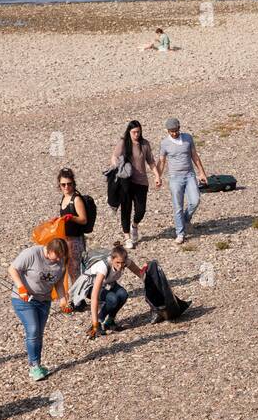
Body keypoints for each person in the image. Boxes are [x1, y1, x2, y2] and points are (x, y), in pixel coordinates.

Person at [8, 237, 68, 382]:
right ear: (49, 250)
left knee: (39, 333)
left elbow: (59, 283)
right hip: (24, 299)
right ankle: (33, 366)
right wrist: (21, 287)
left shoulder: (61, 262)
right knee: (33, 329)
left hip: (44, 301)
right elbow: (12, 268)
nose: (59, 259)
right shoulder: (32, 254)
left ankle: (37, 364)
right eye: (57, 255)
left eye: (61, 256)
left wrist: (62, 298)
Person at [156, 117, 208, 244]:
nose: (173, 133)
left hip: (190, 175)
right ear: (167, 131)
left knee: (195, 200)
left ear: (179, 128)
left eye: (175, 130)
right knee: (177, 206)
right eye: (171, 131)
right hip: (175, 178)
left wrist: (202, 172)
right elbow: (162, 161)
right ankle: (180, 233)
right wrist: (158, 176)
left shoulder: (188, 138)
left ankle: (185, 219)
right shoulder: (164, 143)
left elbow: (194, 156)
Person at [84, 245, 148, 337]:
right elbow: (94, 296)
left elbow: (140, 274)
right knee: (113, 299)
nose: (120, 265)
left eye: (122, 262)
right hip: (90, 286)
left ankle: (109, 322)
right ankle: (98, 322)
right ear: (112, 259)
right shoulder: (104, 267)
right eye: (117, 262)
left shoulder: (126, 262)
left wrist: (148, 271)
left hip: (108, 283)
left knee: (123, 295)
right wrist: (95, 323)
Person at [112, 120, 156, 249]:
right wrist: (117, 168)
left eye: (138, 132)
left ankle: (135, 225)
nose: (136, 134)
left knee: (141, 210)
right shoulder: (124, 143)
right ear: (129, 132)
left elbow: (151, 161)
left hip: (141, 182)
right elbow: (114, 157)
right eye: (134, 132)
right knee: (126, 209)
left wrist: (157, 175)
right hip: (126, 182)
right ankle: (127, 237)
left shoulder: (145, 144)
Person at [57, 168, 90, 311]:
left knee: (75, 270)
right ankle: (78, 296)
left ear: (73, 183)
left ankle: (80, 300)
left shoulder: (76, 199)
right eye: (63, 184)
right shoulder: (64, 198)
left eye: (69, 184)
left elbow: (83, 220)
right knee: (70, 270)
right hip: (66, 239)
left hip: (75, 239)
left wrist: (72, 218)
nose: (66, 187)